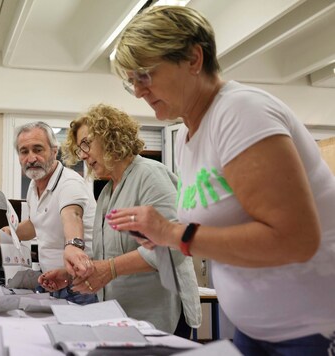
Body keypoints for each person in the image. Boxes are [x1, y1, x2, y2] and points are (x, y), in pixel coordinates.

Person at [110, 5, 335, 354]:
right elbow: (215, 232)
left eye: (145, 75)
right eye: (132, 81)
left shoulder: (242, 112)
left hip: (309, 331)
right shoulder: (188, 139)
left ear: (193, 59)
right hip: (258, 331)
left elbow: (294, 240)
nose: (139, 91)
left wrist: (174, 233)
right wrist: (163, 236)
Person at [39, 104, 201, 335]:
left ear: (110, 135)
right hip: (125, 317)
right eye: (79, 149)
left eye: (86, 143)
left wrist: (111, 269)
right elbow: (108, 255)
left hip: (160, 317)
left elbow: (173, 246)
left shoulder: (150, 175)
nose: (83, 155)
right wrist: (72, 274)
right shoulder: (106, 193)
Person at [0, 121, 97, 304]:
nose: (31, 158)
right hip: (53, 282)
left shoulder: (70, 184)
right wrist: (12, 233)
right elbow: (37, 224)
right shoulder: (34, 186)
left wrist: (73, 246)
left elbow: (72, 216)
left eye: (38, 149)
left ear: (54, 150)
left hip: (80, 285)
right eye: (24, 151)